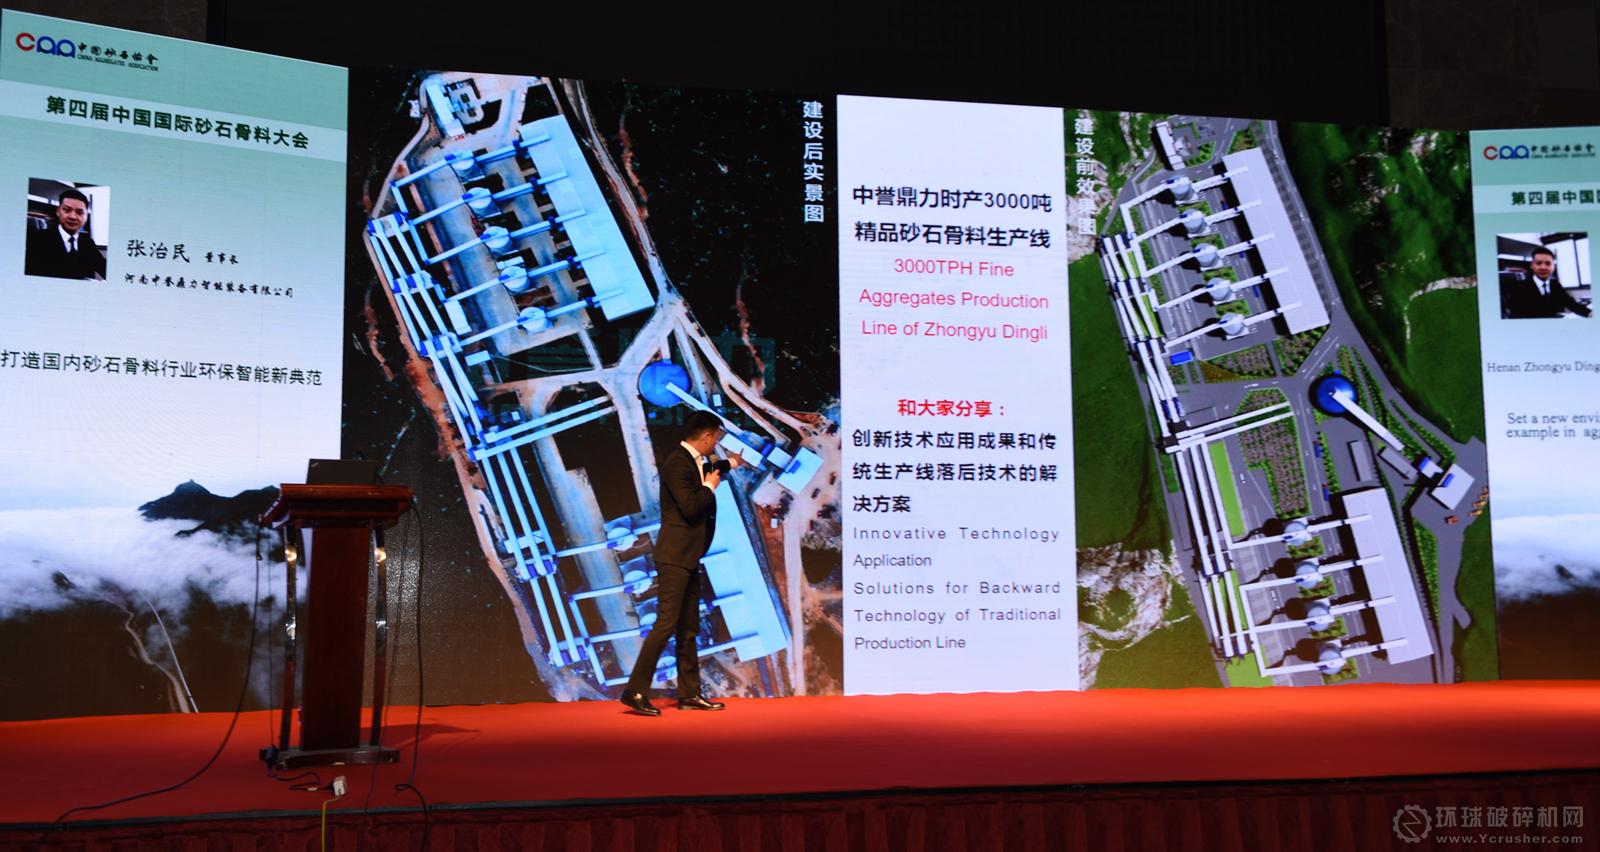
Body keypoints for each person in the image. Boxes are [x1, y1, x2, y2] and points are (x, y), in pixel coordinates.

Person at [620, 410, 743, 716]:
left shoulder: (695, 460)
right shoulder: (677, 463)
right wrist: (711, 485)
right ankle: (635, 691)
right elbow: (691, 507)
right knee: (665, 624)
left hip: (689, 555)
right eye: (716, 439)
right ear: (706, 436)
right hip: (674, 557)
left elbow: (711, 469)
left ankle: (690, 694)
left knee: (688, 628)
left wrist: (731, 464)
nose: (716, 445)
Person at [24, 188, 105, 281]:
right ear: (58, 211)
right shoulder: (37, 240)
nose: (73, 217)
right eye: (67, 210)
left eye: (79, 212)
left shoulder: (88, 243)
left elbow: (104, 268)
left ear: (86, 216)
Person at [1503, 246, 1591, 319]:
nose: (1543, 267)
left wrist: (1589, 314)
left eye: (1548, 263)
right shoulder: (1519, 288)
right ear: (1532, 265)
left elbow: (1572, 304)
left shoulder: (1555, 284)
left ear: (1553, 267)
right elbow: (1516, 317)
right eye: (1538, 263)